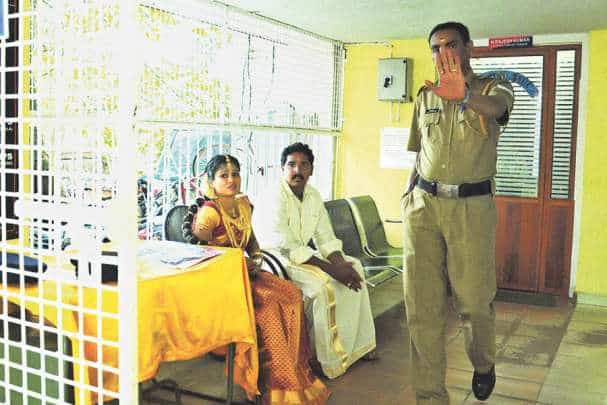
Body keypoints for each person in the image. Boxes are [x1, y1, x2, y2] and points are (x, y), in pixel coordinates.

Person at [402, 22, 515, 404]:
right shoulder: (424, 96)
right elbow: (421, 152)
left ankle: (483, 363)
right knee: (422, 309)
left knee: (474, 302)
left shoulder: (494, 88)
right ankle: (430, 397)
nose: (443, 53)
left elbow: (498, 110)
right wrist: (408, 193)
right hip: (424, 208)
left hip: (471, 209)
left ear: (469, 47)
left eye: (451, 44)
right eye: (436, 47)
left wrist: (465, 96)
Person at [185, 154, 330, 405]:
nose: (231, 180)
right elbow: (198, 253)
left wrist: (255, 256)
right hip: (220, 281)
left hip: (245, 273)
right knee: (271, 308)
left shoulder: (243, 204)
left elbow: (250, 239)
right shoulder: (209, 213)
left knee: (293, 295)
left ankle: (296, 374)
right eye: (224, 175)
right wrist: (237, 264)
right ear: (211, 181)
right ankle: (272, 384)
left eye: (235, 174)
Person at [254, 142, 376, 379]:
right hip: (276, 260)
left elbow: (325, 236)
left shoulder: (313, 195)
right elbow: (286, 245)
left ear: (311, 170)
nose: (297, 170)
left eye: (303, 165)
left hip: (302, 255)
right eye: (291, 164)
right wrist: (333, 271)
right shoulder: (273, 196)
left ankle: (359, 347)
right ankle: (325, 359)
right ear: (282, 168)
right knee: (322, 287)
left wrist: (340, 264)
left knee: (355, 268)